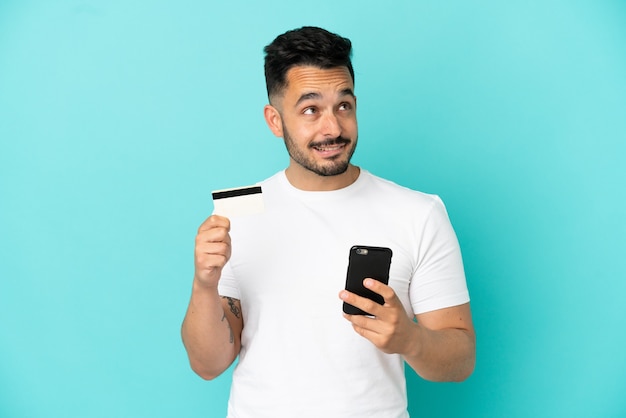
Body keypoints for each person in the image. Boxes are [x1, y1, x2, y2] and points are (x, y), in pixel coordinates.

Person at [182, 26, 475, 418]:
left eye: (344, 105)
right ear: (275, 120)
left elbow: (460, 360)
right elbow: (208, 364)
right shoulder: (240, 212)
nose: (333, 128)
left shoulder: (418, 212)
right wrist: (204, 283)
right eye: (310, 109)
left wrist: (412, 340)